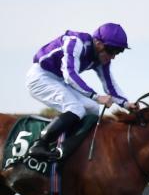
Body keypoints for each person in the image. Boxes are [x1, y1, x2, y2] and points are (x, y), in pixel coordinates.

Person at [25, 23, 138, 160]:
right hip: (40, 77)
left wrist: (126, 104)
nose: (113, 56)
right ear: (97, 42)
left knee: (93, 108)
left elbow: (110, 85)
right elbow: (69, 75)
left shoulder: (102, 58)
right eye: (111, 50)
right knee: (76, 108)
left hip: (58, 80)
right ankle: (39, 145)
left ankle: (71, 148)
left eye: (118, 52)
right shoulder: (75, 43)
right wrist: (96, 96)